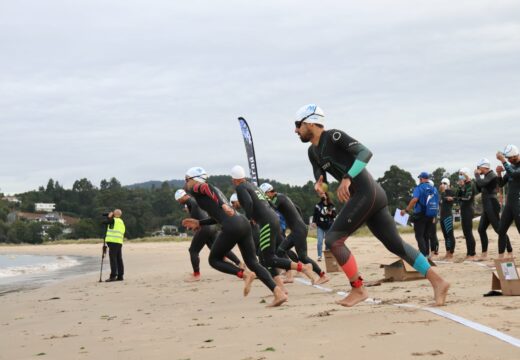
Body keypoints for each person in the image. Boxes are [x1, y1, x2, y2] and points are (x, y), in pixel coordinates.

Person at [294, 103, 449, 307]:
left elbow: (365, 153)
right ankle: (439, 282)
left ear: (311, 123)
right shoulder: (312, 152)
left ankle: (358, 289)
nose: (296, 130)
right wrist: (319, 183)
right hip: (368, 197)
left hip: (367, 193)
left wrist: (348, 177)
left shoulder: (334, 136)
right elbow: (319, 173)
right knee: (396, 245)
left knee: (333, 240)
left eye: (298, 124)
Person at [182, 167, 287, 307]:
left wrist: (223, 204)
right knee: (252, 262)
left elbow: (207, 188)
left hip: (232, 226)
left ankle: (244, 275)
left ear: (195, 179)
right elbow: (218, 216)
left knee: (214, 260)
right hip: (242, 222)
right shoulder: (213, 192)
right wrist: (199, 222)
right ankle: (278, 293)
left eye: (186, 179)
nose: (185, 183)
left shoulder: (198, 188)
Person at [230, 165, 316, 289]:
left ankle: (303, 267)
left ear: (235, 179)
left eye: (232, 180)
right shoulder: (253, 186)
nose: (232, 182)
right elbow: (269, 202)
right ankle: (280, 288)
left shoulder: (240, 187)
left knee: (268, 258)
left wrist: (249, 218)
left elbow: (248, 202)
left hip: (266, 223)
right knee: (263, 255)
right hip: (272, 219)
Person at [259, 182, 329, 285]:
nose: (265, 198)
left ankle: (322, 275)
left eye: (265, 195)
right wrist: (299, 221)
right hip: (297, 229)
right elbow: (297, 208)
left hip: (298, 230)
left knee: (303, 257)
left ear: (269, 192)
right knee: (280, 251)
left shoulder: (278, 198)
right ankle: (290, 274)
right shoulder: (281, 197)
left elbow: (272, 209)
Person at [175, 189, 243, 282]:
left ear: (183, 196)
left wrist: (193, 224)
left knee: (193, 250)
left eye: (179, 200)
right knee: (216, 247)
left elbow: (194, 217)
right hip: (211, 227)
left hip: (205, 228)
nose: (179, 202)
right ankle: (239, 263)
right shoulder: (194, 200)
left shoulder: (190, 201)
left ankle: (196, 275)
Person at [474, 158, 512, 260]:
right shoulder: (486, 176)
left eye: (479, 167)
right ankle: (484, 253)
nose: (478, 169)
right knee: (481, 229)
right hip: (486, 204)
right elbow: (479, 188)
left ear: (484, 167)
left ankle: (509, 250)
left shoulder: (492, 175)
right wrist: (477, 178)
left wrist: (477, 175)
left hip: (492, 203)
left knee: (499, 229)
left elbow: (482, 184)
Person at [402, 172, 436, 257]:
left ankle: (423, 255)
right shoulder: (433, 188)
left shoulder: (419, 188)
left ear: (421, 179)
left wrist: (406, 210)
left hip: (421, 214)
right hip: (430, 214)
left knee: (419, 235)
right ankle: (427, 254)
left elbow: (415, 200)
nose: (419, 180)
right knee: (426, 235)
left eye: (419, 178)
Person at [496, 144, 519, 258]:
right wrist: (499, 173)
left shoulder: (515, 168)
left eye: (510, 158)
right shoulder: (511, 166)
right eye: (508, 159)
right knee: (501, 230)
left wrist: (504, 161)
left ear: (515, 156)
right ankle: (501, 259)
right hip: (510, 204)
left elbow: (515, 175)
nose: (509, 160)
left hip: (518, 203)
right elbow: (501, 184)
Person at [457, 168, 477, 260]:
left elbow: (468, 197)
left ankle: (472, 253)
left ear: (466, 175)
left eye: (461, 174)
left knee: (469, 232)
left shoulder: (470, 184)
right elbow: (458, 196)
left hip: (469, 210)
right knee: (465, 233)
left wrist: (461, 197)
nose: (460, 176)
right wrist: (460, 187)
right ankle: (468, 252)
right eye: (459, 174)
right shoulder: (464, 185)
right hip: (464, 210)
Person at [311, 191, 336, 261]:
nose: (322, 195)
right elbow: (315, 214)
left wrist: (330, 213)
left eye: (323, 194)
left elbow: (334, 214)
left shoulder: (331, 205)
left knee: (328, 241)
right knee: (319, 241)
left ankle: (327, 254)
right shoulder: (318, 205)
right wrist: (314, 222)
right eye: (321, 194)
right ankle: (319, 256)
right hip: (320, 226)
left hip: (329, 225)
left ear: (326, 196)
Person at [103, 209, 125, 282]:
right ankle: (120, 276)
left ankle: (113, 276)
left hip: (113, 242)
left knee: (113, 259)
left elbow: (105, 223)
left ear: (115, 214)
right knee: (119, 259)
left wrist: (109, 217)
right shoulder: (121, 221)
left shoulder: (114, 220)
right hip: (119, 242)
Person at [439, 178, 456, 259]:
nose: (443, 184)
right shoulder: (442, 193)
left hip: (448, 216)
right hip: (442, 216)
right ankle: (447, 251)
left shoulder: (451, 192)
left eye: (445, 183)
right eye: (442, 183)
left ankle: (451, 253)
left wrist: (442, 192)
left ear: (448, 184)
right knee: (445, 236)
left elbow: (446, 199)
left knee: (450, 235)